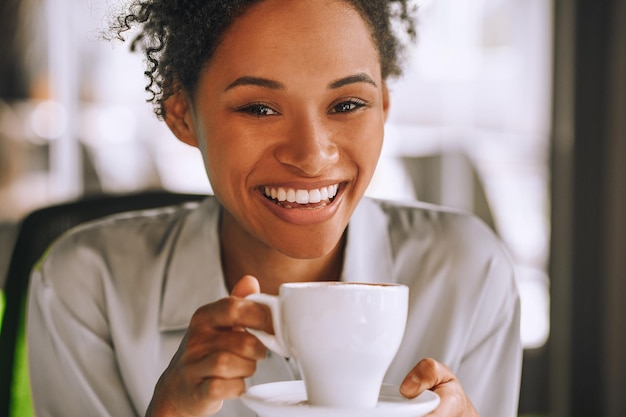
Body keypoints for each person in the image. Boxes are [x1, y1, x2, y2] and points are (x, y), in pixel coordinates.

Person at [26, 1, 522, 416]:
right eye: (259, 108)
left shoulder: (467, 271)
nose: (311, 156)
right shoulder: (87, 284)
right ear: (182, 114)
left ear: (385, 105)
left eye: (347, 104)